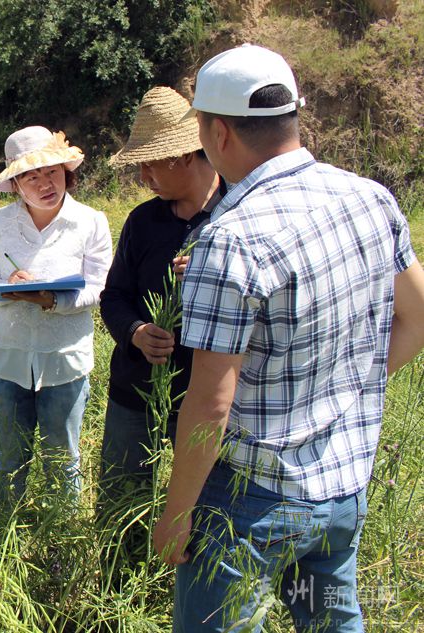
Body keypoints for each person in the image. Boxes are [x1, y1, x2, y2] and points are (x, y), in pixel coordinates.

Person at [152, 44, 424, 631]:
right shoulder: (370, 198)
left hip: (251, 508)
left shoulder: (230, 239)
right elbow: (419, 315)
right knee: (331, 622)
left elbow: (211, 401)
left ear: (219, 133)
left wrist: (176, 513)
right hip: (342, 491)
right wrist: (345, 393)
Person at [98, 87, 224, 529]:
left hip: (206, 395)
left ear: (185, 156)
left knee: (206, 510)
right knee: (121, 503)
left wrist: (212, 273)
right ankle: (120, 568)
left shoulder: (235, 217)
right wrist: (135, 331)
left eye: (151, 163)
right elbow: (113, 296)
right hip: (135, 391)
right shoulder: (143, 221)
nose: (143, 176)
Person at [0, 126, 112, 511]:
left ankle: (60, 535)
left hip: (64, 359)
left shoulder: (90, 221)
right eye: (31, 177)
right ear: (16, 184)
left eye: (52, 171)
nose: (45, 184)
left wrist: (52, 300)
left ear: (66, 172)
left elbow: (100, 287)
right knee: (9, 457)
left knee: (62, 460)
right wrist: (7, 285)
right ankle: (6, 529)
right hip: (8, 357)